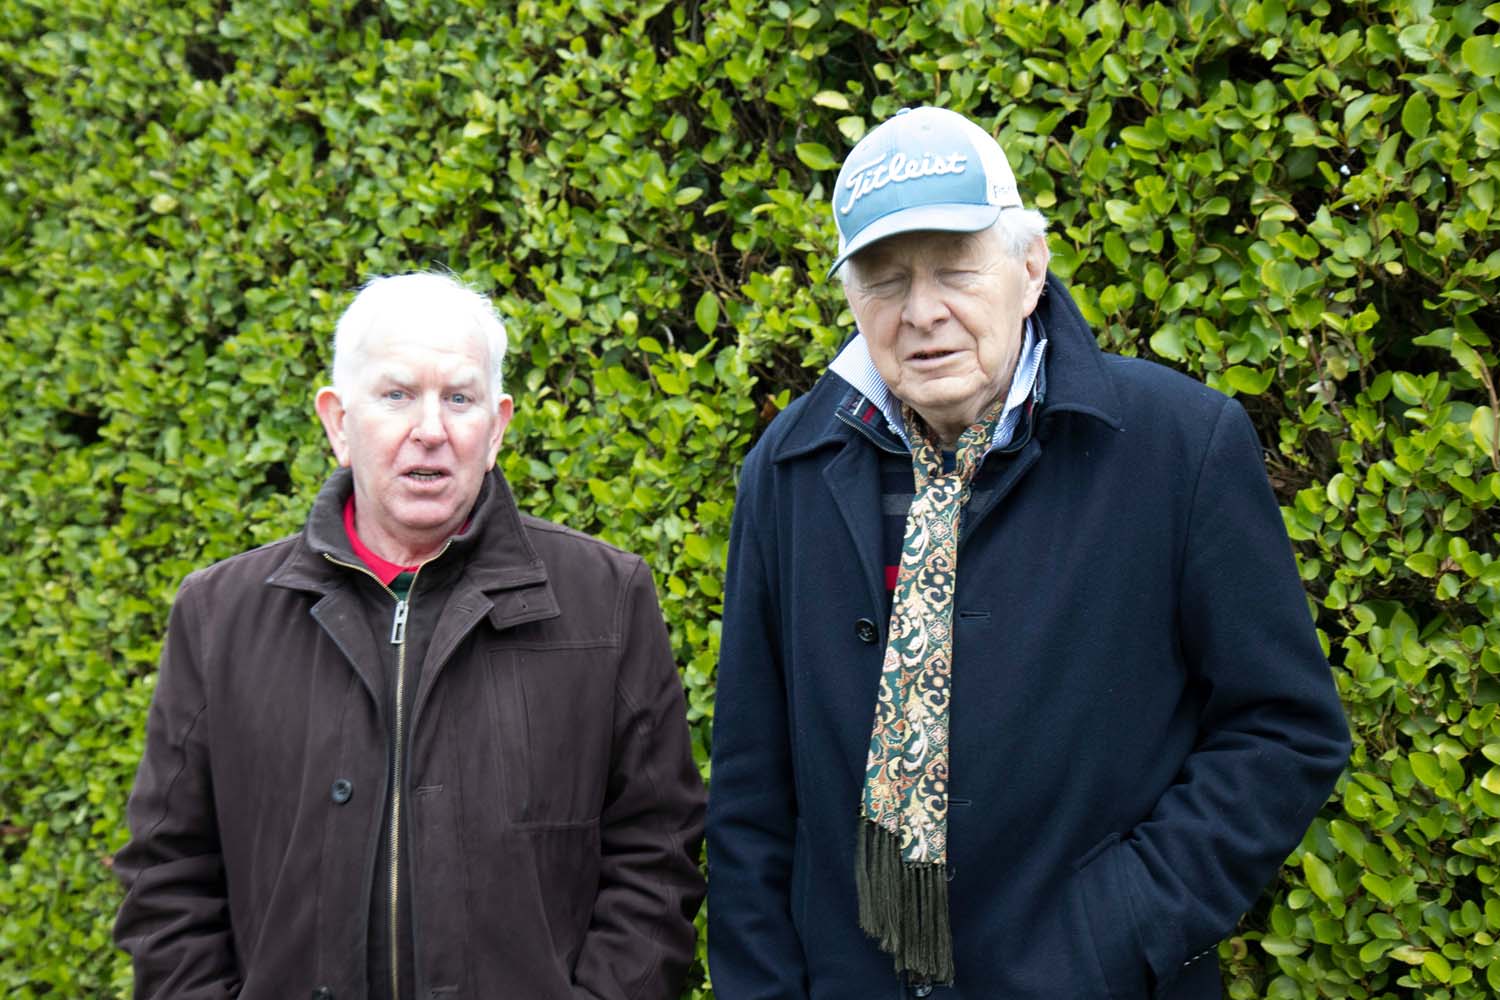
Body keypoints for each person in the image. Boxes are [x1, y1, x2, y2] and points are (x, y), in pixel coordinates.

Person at [706, 106, 1350, 999]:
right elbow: (751, 785)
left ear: (1030, 269)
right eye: (885, 280)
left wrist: (1119, 927)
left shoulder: (1177, 443)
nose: (922, 312)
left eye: (955, 269)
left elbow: (1284, 728)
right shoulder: (788, 468)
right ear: (851, 297)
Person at [114, 272, 706, 1000]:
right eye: (396, 395)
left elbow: (658, 854)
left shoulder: (604, 599)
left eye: (459, 398)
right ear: (338, 423)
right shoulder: (220, 615)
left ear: (497, 428)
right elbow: (167, 873)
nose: (431, 429)